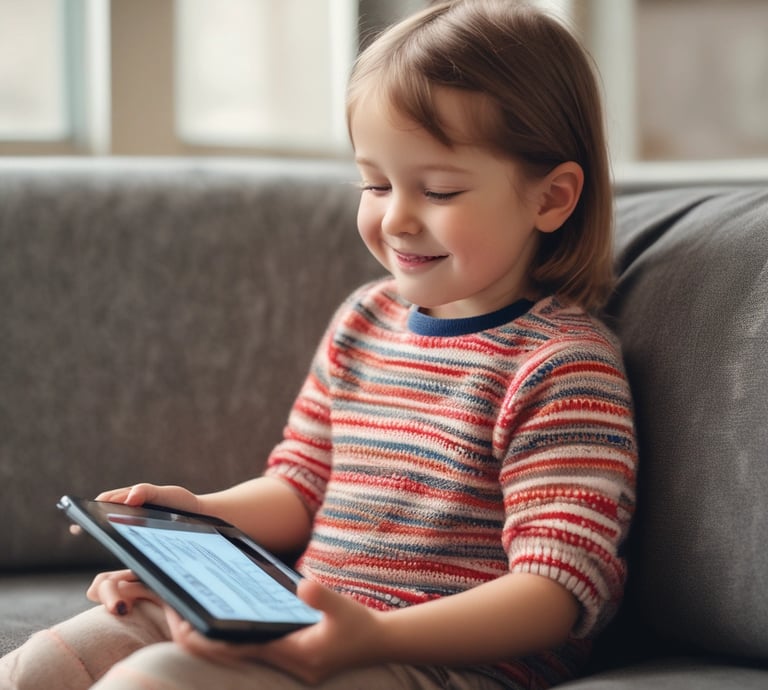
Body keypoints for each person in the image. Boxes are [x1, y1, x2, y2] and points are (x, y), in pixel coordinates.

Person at [0, 1, 637, 688]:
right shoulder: (365, 320)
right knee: (52, 661)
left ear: (551, 199)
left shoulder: (563, 367)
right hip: (308, 623)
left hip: (434, 663)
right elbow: (299, 487)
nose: (396, 218)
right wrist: (201, 519)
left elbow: (558, 590)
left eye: (440, 190)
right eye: (376, 182)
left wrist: (371, 637)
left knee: (154, 680)